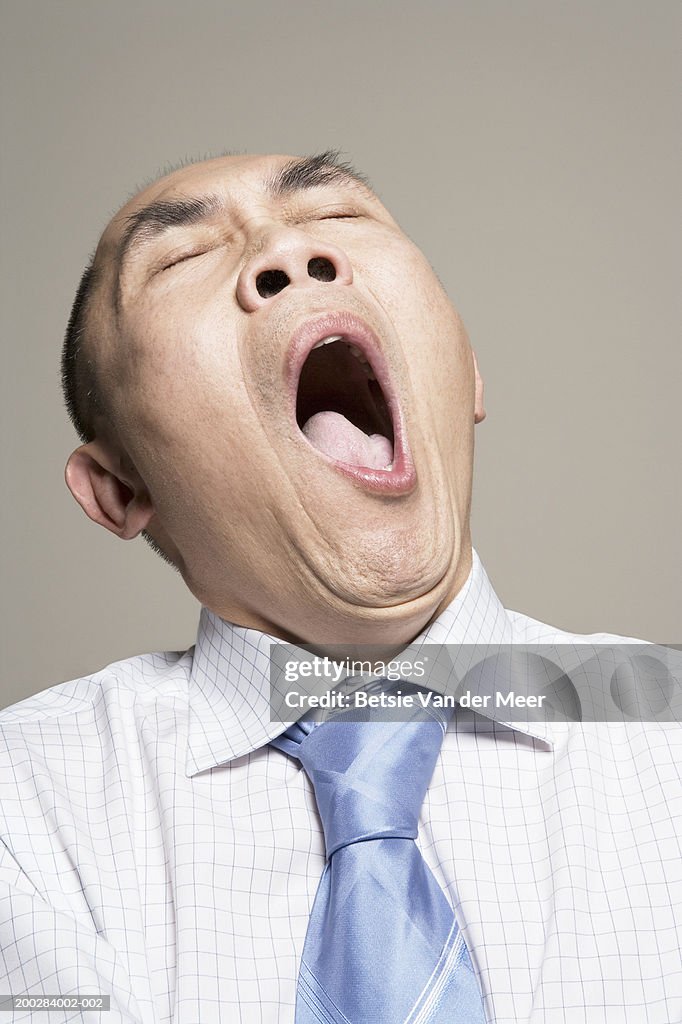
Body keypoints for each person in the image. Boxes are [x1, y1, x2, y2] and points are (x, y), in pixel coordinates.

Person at [0, 151, 679, 1024]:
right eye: (180, 259)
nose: (291, 255)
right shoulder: (24, 811)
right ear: (121, 486)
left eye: (340, 216)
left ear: (465, 371)